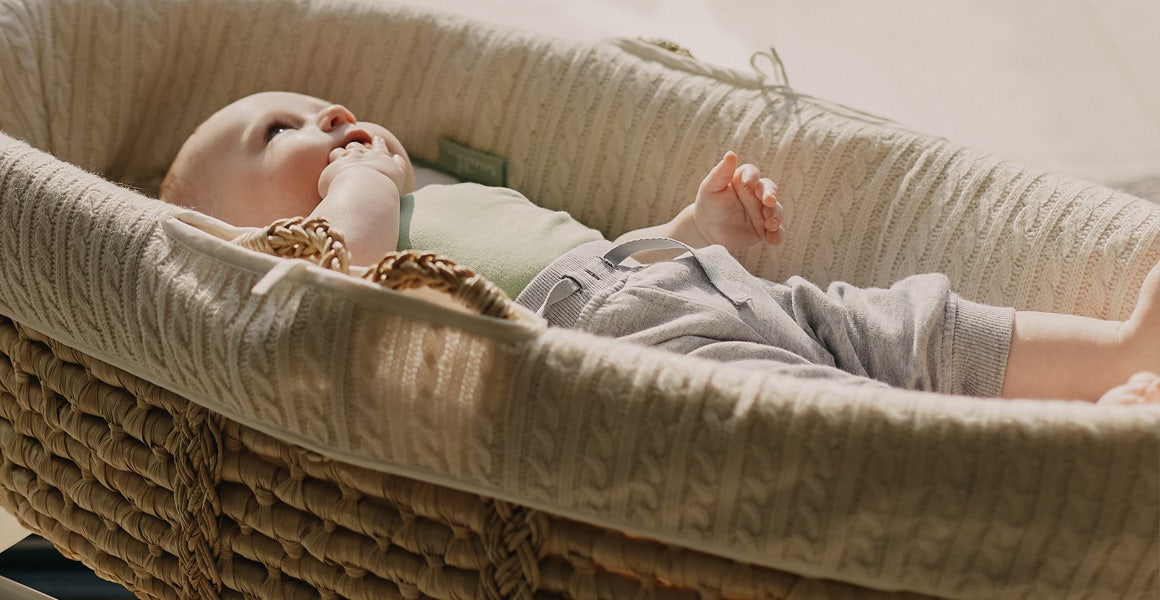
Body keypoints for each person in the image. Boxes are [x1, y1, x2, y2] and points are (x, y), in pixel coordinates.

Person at [161, 91, 1160, 404]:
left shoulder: (441, 195)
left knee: (904, 323)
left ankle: (1114, 356)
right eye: (275, 133)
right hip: (609, 344)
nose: (326, 113)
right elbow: (321, 282)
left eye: (315, 102)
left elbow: (591, 255)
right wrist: (362, 191)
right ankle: (1050, 445)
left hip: (665, 287)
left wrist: (689, 233)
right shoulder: (316, 251)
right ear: (244, 229)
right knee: (829, 410)